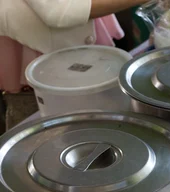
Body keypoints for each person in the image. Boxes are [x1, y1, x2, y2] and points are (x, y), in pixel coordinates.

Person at [0, 0, 146, 129]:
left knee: (99, 125)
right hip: (38, 68)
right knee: (44, 135)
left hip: (84, 52)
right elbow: (61, 11)